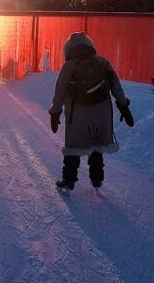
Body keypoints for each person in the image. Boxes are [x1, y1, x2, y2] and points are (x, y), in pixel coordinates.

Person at [49, 32, 134, 190]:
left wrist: (55, 112)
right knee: (96, 144)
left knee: (74, 147)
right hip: (101, 113)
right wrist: (123, 106)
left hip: (77, 115)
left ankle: (69, 181)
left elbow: (59, 91)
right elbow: (116, 86)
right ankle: (97, 179)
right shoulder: (103, 63)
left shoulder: (69, 67)